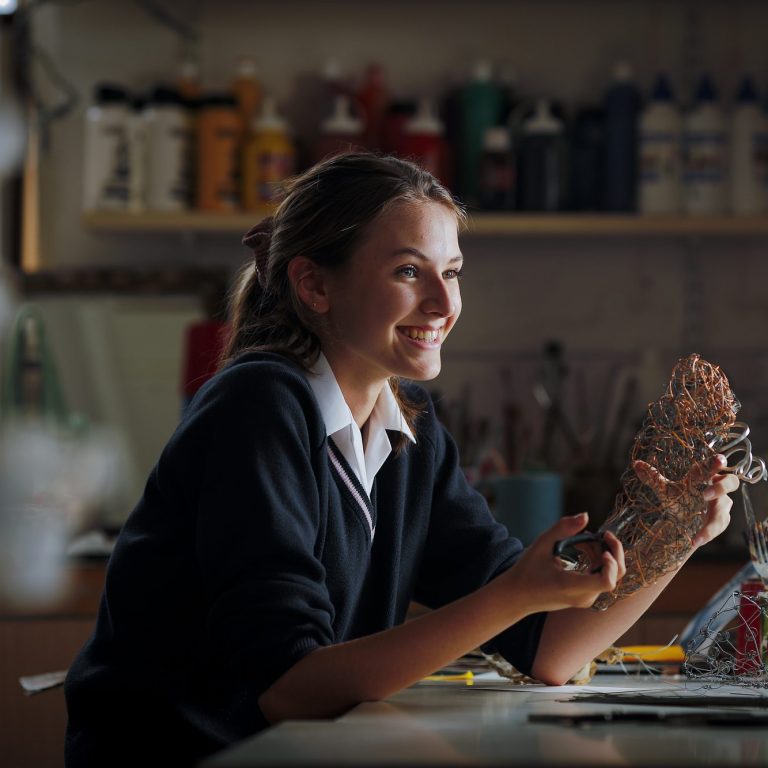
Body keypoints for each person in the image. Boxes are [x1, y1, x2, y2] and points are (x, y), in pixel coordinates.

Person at [63, 152, 739, 767]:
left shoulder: (408, 430)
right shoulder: (259, 406)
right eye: (409, 272)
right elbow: (289, 691)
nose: (445, 305)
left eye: (451, 273)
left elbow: (549, 650)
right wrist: (512, 594)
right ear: (314, 286)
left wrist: (678, 531)